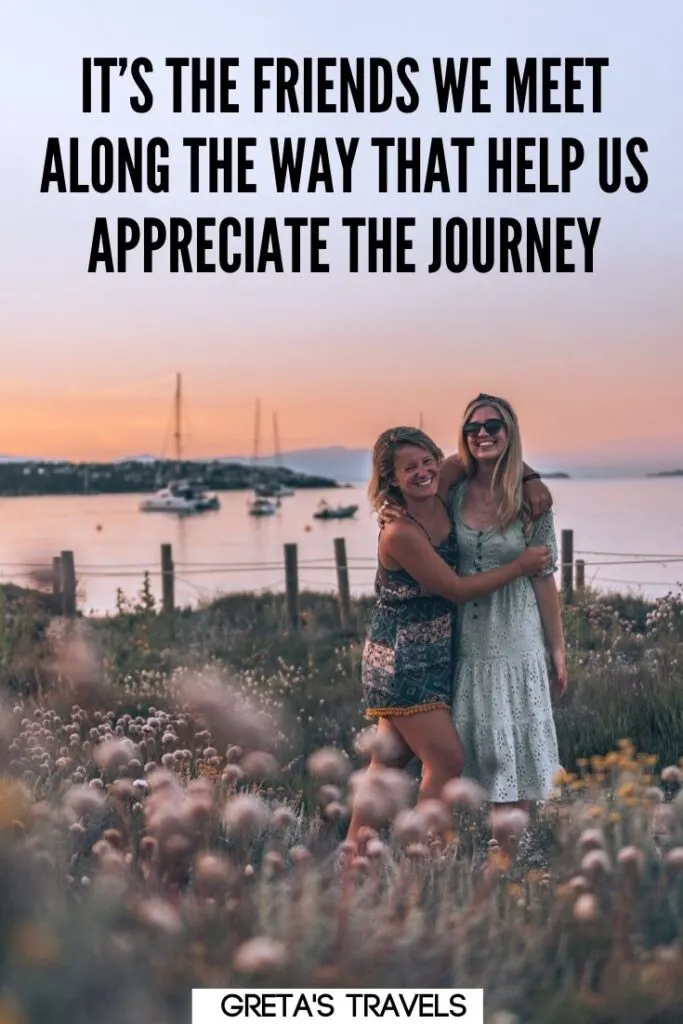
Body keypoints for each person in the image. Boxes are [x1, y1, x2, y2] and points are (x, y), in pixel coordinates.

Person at [346, 426, 551, 847]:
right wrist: (520, 566)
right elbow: (455, 589)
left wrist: (531, 479)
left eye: (427, 462)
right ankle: (426, 860)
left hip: (434, 652)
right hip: (401, 659)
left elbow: (486, 455)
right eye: (409, 468)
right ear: (391, 480)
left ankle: (352, 864)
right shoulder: (400, 533)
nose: (422, 472)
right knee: (446, 759)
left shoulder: (442, 486)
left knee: (389, 763)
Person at [445, 394, 566, 849]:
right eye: (473, 427)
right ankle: (491, 863)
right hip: (466, 647)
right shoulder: (452, 493)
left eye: (494, 426)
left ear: (510, 432)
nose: (483, 433)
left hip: (517, 643)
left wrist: (558, 648)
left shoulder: (530, 501)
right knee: (475, 762)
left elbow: (544, 580)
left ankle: (511, 865)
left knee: (515, 763)